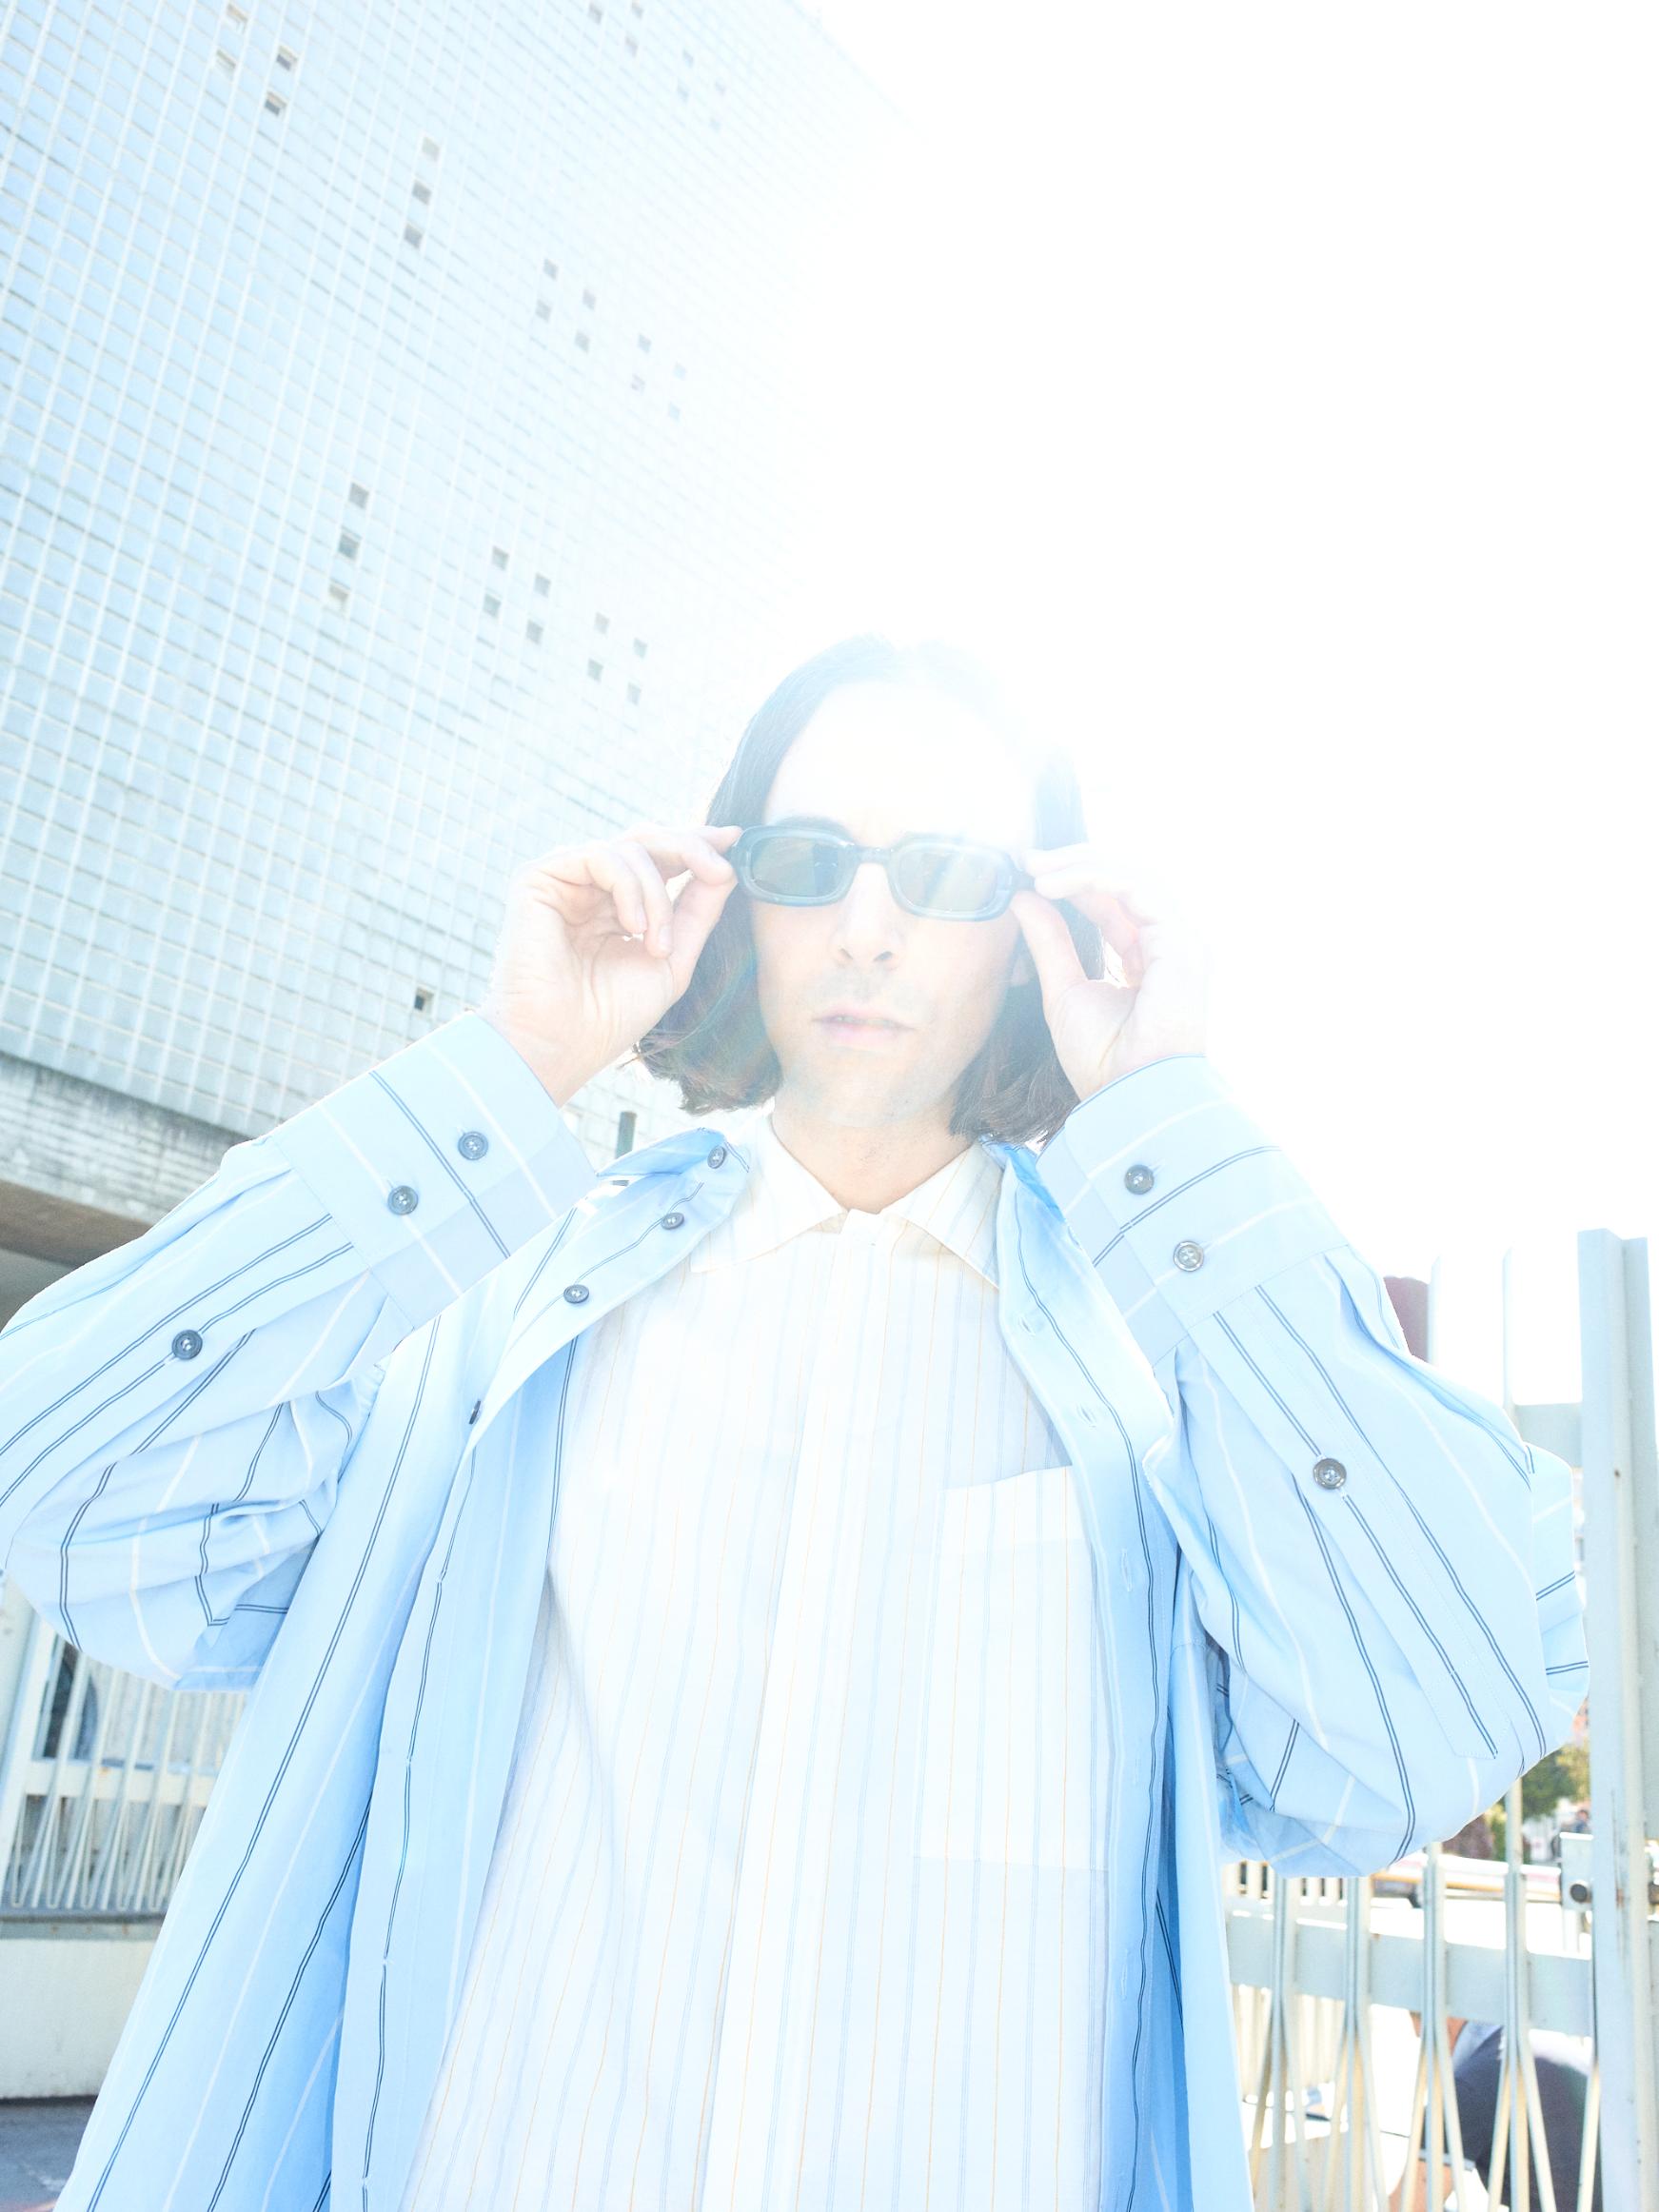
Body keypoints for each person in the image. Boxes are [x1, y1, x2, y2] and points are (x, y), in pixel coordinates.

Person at [0, 635, 1588, 2210]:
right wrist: (514, 1062)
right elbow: (69, 1486)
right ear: (734, 896)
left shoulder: (1153, 1399)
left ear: (1030, 931)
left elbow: (1408, 1738)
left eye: (947, 873)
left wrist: (1160, 1113)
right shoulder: (492, 1330)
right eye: (810, 859)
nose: (869, 926)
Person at [1392, 2015, 1600, 2210]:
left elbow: (1407, 2206)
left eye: (1425, 2041)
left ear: (1444, 2022)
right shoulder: (1546, 2042)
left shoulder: (1470, 2086)